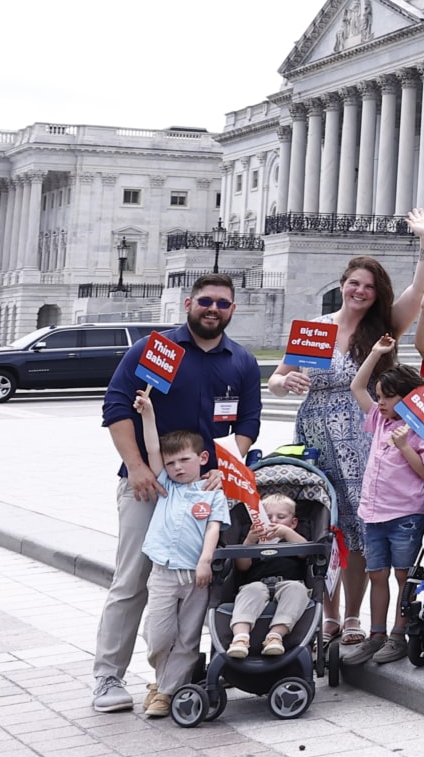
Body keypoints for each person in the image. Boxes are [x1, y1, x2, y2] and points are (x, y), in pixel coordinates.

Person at [92, 271, 264, 714]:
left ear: (232, 310)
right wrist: (136, 467)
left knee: (200, 584)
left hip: (206, 494)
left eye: (222, 303)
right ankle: (108, 676)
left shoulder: (240, 361)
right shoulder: (156, 349)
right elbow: (116, 406)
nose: (213, 309)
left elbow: (246, 422)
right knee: (132, 582)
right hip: (151, 488)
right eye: (206, 301)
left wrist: (226, 470)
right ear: (189, 303)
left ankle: (174, 678)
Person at [277, 213, 424, 656]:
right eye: (354, 283)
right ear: (343, 282)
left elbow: (417, 288)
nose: (360, 292)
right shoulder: (317, 326)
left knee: (358, 525)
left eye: (369, 286)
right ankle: (326, 616)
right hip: (315, 429)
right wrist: (284, 383)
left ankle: (353, 615)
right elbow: (277, 378)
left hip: (366, 431)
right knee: (322, 521)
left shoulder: (384, 326)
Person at [130, 395, 229, 719]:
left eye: (184, 460)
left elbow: (214, 528)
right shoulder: (166, 486)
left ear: (202, 458)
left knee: (187, 638)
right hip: (163, 573)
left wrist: (205, 561)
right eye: (172, 464)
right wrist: (149, 414)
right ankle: (161, 680)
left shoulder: (212, 492)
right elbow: (153, 450)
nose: (176, 467)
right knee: (157, 635)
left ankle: (166, 692)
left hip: (196, 578)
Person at [352, 338, 424, 664]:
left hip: (405, 514)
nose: (382, 402)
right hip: (372, 513)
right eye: (380, 397)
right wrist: (375, 353)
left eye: (389, 396)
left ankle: (399, 634)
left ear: (409, 397)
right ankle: (376, 633)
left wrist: (405, 447)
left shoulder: (420, 429)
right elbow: (357, 387)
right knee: (377, 574)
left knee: (403, 574)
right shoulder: (379, 419)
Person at [224, 495, 312, 660]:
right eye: (267, 517)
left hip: (289, 582)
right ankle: (240, 639)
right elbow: (242, 566)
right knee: (250, 592)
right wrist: (250, 540)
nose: (273, 521)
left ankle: (275, 636)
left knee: (297, 590)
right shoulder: (253, 539)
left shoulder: (294, 537)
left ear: (293, 522)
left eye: (281, 517)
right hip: (257, 583)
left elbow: (305, 552)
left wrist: (287, 532)